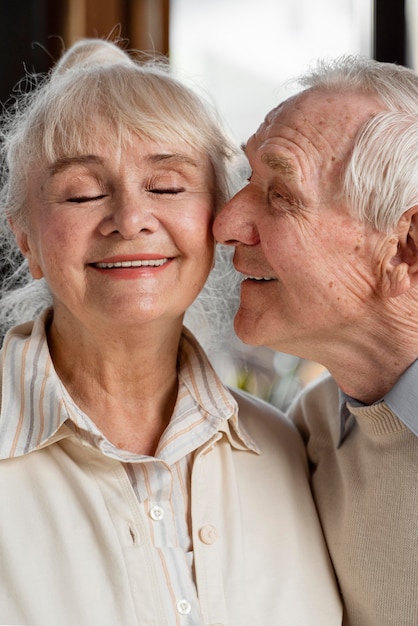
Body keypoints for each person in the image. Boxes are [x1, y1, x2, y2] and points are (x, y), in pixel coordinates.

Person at [0, 38, 341, 626]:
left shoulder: (289, 451)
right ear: (26, 237)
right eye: (82, 192)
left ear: (219, 220)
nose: (131, 218)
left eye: (166, 186)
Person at [213, 54, 418, 626]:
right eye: (248, 180)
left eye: (281, 194)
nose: (225, 223)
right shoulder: (310, 433)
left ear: (407, 248)